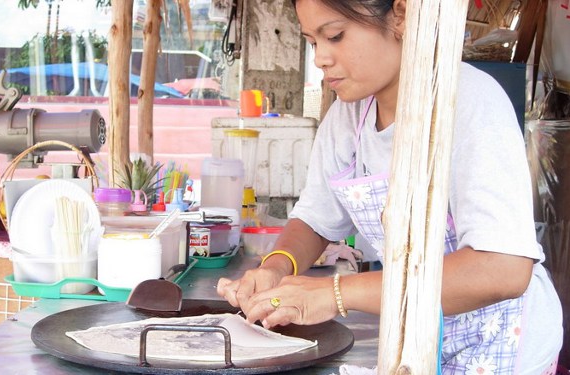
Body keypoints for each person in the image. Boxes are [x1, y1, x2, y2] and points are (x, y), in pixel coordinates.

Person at [217, 0, 563, 373]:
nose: (320, 58)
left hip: (502, 343)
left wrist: (335, 294)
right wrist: (277, 268)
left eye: (335, 36)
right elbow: (315, 219)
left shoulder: (470, 101)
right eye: (313, 41)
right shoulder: (348, 117)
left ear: (399, 15)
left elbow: (503, 269)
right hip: (417, 334)